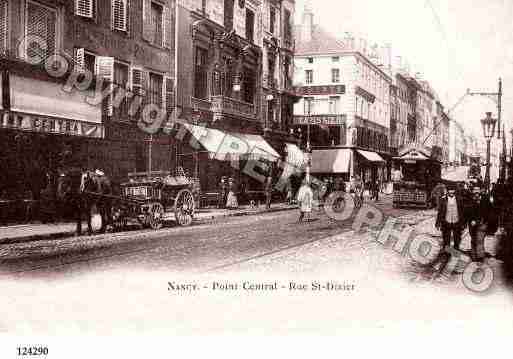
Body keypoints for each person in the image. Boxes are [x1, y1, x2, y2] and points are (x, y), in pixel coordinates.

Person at [436, 187, 466, 251]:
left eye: (452, 191)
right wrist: (438, 222)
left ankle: (456, 251)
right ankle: (447, 253)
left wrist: (463, 222)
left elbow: (462, 211)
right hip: (446, 221)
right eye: (450, 191)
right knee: (446, 239)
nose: (451, 192)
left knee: (457, 238)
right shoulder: (443, 199)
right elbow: (440, 212)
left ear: (454, 191)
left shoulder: (459, 199)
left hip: (456, 221)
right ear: (448, 191)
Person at [466, 186, 491, 262]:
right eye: (475, 190)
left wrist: (485, 220)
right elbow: (466, 211)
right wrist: (470, 220)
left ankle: (480, 257)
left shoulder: (485, 199)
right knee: (473, 239)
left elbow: (489, 211)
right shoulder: (469, 200)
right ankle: (474, 256)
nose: (476, 191)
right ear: (472, 191)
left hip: (482, 223)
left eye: (478, 189)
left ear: (480, 190)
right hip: (472, 224)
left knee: (479, 239)